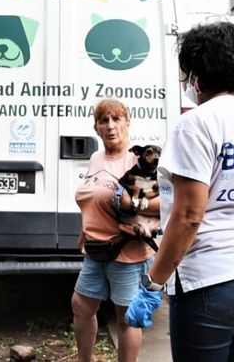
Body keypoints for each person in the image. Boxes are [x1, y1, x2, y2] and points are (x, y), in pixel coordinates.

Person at [125, 21, 234, 361]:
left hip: (211, 281)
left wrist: (153, 283)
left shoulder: (194, 125)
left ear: (195, 72)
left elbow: (189, 215)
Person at [71, 98, 160, 362]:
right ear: (96, 128)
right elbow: (91, 198)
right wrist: (84, 231)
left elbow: (164, 204)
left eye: (116, 119)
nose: (110, 126)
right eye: (103, 120)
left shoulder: (138, 160)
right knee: (81, 306)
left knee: (126, 319)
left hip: (127, 253)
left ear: (127, 122)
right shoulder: (97, 157)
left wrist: (133, 201)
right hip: (97, 249)